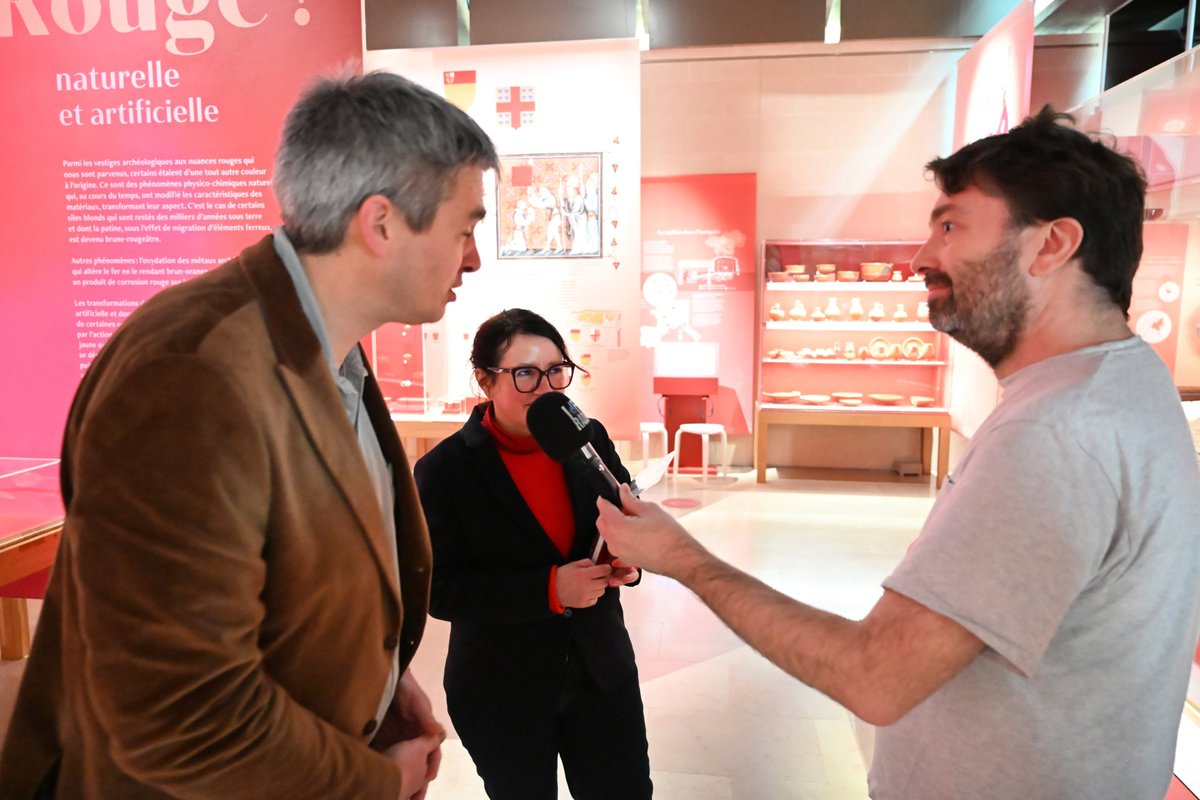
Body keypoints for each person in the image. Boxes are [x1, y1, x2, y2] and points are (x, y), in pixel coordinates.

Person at [596, 106, 1200, 799]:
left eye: (951, 225)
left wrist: (685, 559)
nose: (920, 256)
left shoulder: (1055, 434)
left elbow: (875, 674)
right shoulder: (1121, 382)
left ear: (1053, 244)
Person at [0, 71, 498, 800]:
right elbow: (179, 712)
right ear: (382, 222)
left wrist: (378, 685)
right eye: (465, 227)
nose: (473, 257)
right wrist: (371, 783)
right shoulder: (191, 378)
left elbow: (302, 578)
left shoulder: (326, 348)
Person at [413, 308, 652, 800]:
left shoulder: (590, 438)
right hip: (501, 688)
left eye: (556, 371)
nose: (546, 389)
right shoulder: (445, 470)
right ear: (485, 381)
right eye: (525, 374)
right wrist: (549, 589)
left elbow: (626, 517)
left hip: (601, 673)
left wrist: (629, 561)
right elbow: (441, 590)